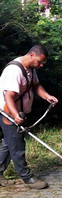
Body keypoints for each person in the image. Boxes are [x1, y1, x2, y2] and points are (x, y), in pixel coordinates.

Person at [0, 45, 58, 189]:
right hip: (9, 113)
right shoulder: (14, 71)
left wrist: (47, 96)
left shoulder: (30, 69)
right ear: (32, 55)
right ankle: (28, 177)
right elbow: (8, 96)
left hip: (18, 113)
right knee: (17, 145)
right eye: (40, 61)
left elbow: (36, 85)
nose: (41, 65)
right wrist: (15, 116)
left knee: (8, 144)